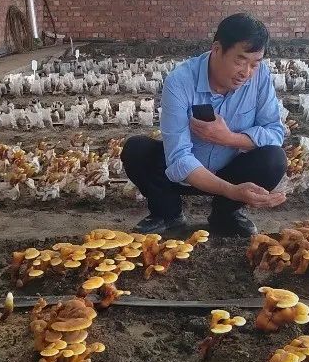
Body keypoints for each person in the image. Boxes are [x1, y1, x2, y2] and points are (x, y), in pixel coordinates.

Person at [122, 13, 287, 237]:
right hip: (185, 174)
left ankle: (225, 214)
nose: (246, 73)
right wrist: (232, 190)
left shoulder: (260, 78)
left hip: (231, 168)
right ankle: (167, 214)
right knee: (136, 150)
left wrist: (228, 138)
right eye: (240, 61)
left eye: (255, 64)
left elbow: (275, 133)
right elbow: (179, 157)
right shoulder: (180, 81)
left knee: (273, 158)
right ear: (217, 49)